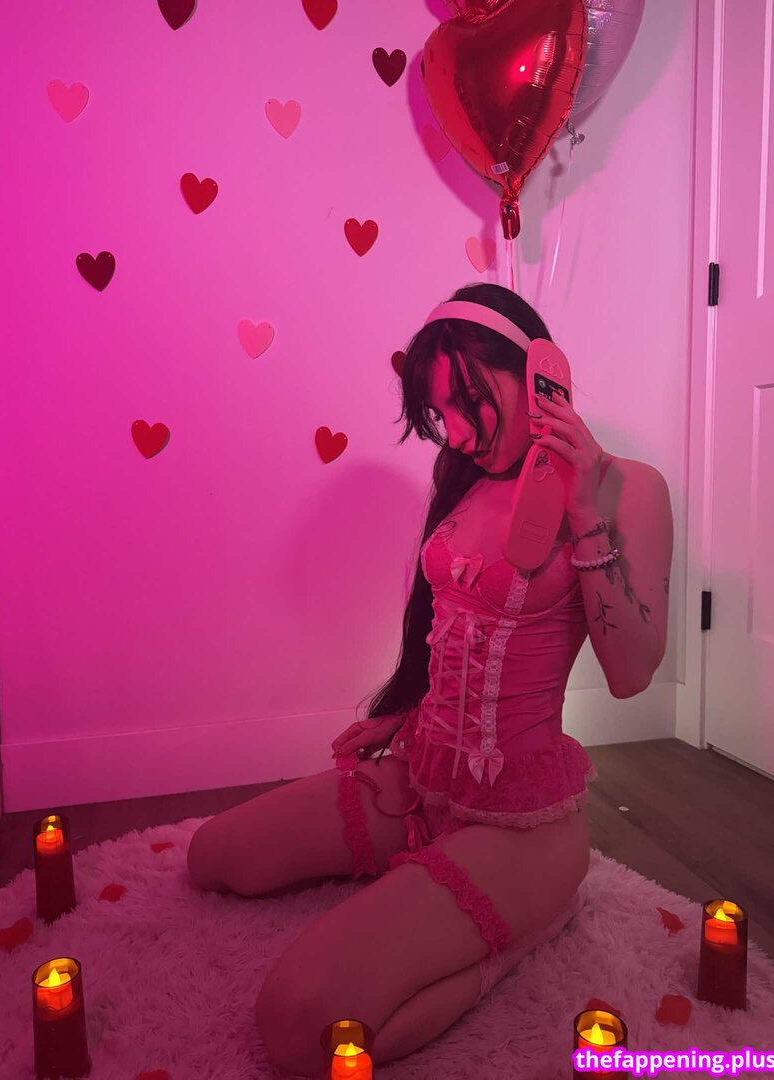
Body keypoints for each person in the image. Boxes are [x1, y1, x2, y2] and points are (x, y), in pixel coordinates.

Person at [186, 283, 668, 1077]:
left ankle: (519, 936)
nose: (460, 432)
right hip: (424, 778)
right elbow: (447, 624)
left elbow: (632, 675)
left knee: (299, 1023)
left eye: (472, 401)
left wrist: (585, 514)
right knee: (215, 857)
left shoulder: (628, 488)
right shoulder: (463, 471)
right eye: (442, 413)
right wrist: (406, 712)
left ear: (540, 373)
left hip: (520, 822)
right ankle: (434, 891)